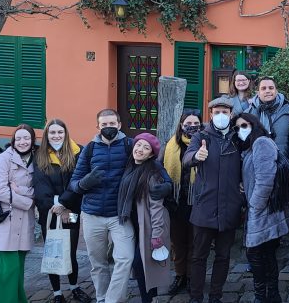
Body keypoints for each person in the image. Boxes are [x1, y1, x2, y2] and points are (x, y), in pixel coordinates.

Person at [69, 109, 134, 303]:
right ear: (98, 127)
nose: (108, 128)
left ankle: (111, 300)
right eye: (104, 125)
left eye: (112, 124)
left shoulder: (129, 145)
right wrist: (84, 183)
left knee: (124, 259)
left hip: (119, 215)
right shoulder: (89, 149)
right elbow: (74, 183)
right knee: (99, 264)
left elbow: (146, 169)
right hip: (92, 215)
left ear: (119, 125)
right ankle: (101, 298)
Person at [182, 97, 243, 303]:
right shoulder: (200, 136)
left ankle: (216, 296)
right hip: (204, 207)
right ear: (210, 115)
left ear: (231, 114)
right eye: (217, 112)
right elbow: (187, 158)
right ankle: (196, 297)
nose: (220, 116)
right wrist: (196, 156)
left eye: (224, 112)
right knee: (199, 256)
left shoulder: (238, 137)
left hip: (229, 206)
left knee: (223, 256)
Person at [234, 113, 289, 303]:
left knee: (256, 254)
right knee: (266, 254)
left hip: (264, 209)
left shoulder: (261, 143)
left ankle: (263, 296)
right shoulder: (250, 146)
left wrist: (255, 205)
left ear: (254, 124)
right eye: (237, 127)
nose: (240, 130)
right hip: (262, 208)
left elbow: (266, 178)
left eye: (244, 125)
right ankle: (271, 295)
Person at [32, 119, 92, 303]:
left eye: (60, 132)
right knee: (53, 251)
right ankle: (57, 293)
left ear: (66, 134)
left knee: (70, 250)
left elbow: (78, 182)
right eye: (52, 133)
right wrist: (55, 206)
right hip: (48, 212)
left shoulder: (77, 152)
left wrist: (66, 205)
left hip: (71, 209)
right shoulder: (39, 155)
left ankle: (74, 287)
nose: (56, 136)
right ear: (46, 135)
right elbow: (40, 186)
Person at [0, 124, 37, 303]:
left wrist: (19, 190)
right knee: (8, 271)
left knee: (18, 271)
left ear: (32, 140)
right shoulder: (4, 158)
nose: (23, 142)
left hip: (23, 223)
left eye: (27, 138)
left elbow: (38, 190)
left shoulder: (36, 160)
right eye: (19, 138)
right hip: (4, 221)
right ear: (13, 140)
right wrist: (27, 201)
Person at [119, 133, 172, 303]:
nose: (140, 149)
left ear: (151, 154)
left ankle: (148, 300)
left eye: (146, 147)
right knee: (144, 265)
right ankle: (152, 298)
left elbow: (157, 208)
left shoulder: (153, 173)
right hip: (133, 224)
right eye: (138, 145)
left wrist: (157, 234)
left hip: (150, 226)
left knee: (141, 264)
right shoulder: (129, 167)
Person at [162, 110, 202, 297]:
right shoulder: (170, 145)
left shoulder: (204, 143)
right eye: (188, 123)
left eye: (196, 123)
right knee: (177, 243)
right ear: (181, 125)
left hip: (198, 202)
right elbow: (159, 168)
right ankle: (180, 276)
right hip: (176, 202)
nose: (192, 126)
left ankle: (194, 277)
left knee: (196, 243)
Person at [247, 76, 289, 159]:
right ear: (258, 93)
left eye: (271, 88)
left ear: (276, 91)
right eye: (263, 88)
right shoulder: (248, 113)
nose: (267, 91)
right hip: (256, 164)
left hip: (282, 165)